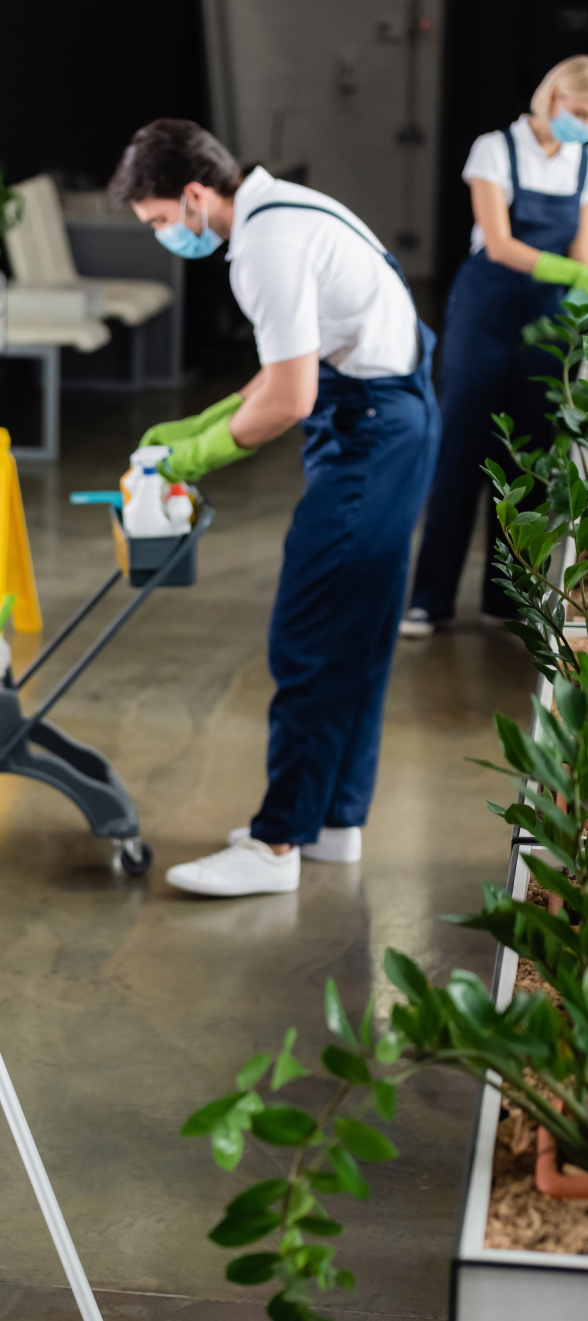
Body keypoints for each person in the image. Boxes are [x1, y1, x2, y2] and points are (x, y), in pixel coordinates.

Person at [107, 120, 440, 897]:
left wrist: (195, 456)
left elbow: (292, 398)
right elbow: (287, 366)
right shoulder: (284, 209)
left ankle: (276, 843)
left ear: (194, 196)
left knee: (311, 635)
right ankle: (330, 821)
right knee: (355, 635)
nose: (163, 237)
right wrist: (195, 423)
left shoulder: (263, 248)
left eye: (159, 221)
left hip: (368, 433)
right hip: (390, 416)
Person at [401, 56, 588, 638]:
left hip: (549, 320)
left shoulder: (587, 159)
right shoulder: (494, 149)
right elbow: (502, 244)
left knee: (526, 458)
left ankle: (506, 599)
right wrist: (574, 274)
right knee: (460, 449)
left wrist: (578, 278)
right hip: (485, 312)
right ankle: (428, 598)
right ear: (552, 98)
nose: (583, 123)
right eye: (578, 112)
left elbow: (584, 251)